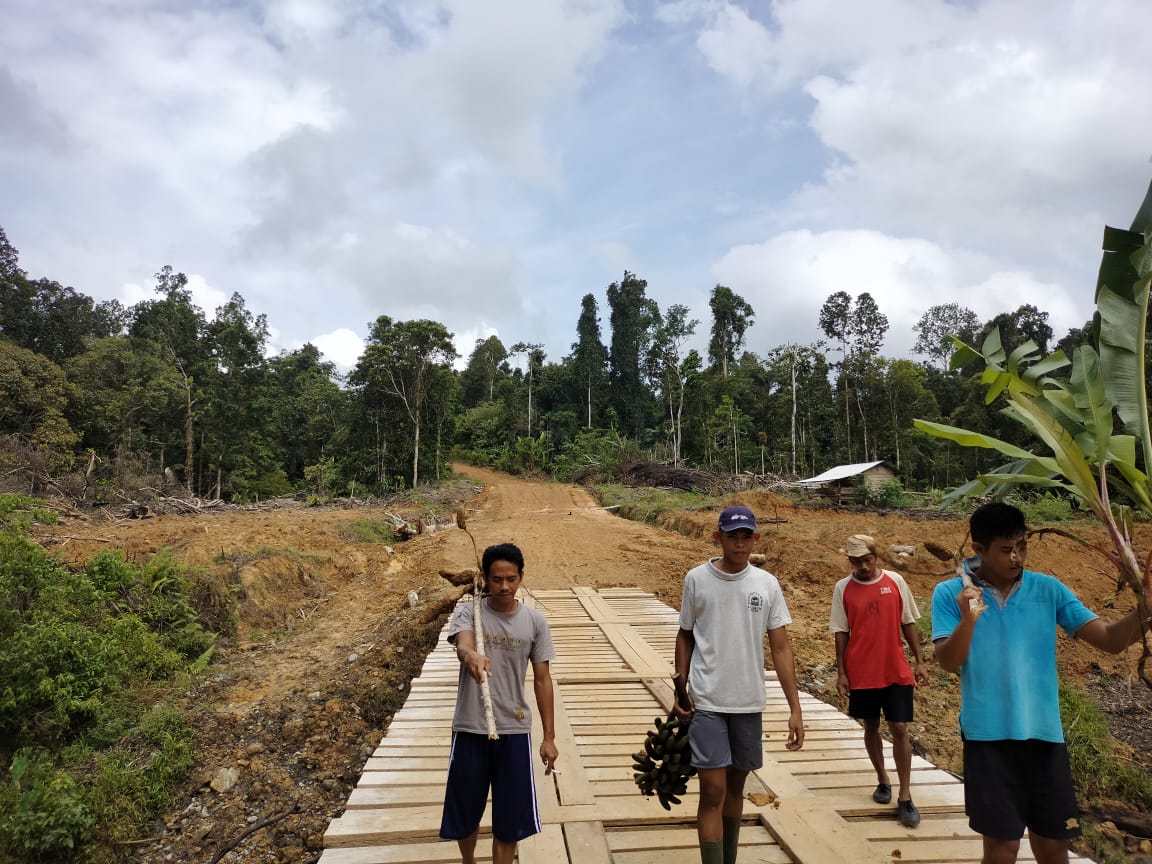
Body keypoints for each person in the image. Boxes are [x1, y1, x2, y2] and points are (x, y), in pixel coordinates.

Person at [932, 502, 1152, 864]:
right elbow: (948, 661)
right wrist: (970, 617)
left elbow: (1111, 641)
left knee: (1053, 846)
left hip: (1045, 738)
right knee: (1002, 849)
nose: (1017, 557)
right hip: (988, 740)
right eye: (1006, 550)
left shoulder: (1048, 589)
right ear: (979, 549)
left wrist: (1147, 608)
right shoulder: (950, 594)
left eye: (1022, 546)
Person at [673, 504, 805, 864]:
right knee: (712, 791)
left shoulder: (766, 584)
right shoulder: (697, 579)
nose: (740, 543)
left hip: (749, 702)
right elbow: (684, 636)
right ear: (718, 538)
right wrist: (680, 690)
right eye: (733, 536)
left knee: (736, 787)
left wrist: (796, 709)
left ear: (756, 539)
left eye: (747, 536)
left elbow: (780, 646)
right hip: (707, 700)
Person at [439, 543, 558, 864]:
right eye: (496, 580)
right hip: (470, 726)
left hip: (515, 728)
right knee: (464, 812)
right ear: (485, 579)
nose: (504, 587)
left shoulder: (535, 622)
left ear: (521, 578)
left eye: (511, 579)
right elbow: (463, 645)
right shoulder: (469, 612)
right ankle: (468, 861)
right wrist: (471, 654)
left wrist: (549, 737)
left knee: (510, 823)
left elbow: (543, 679)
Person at [830, 534, 928, 829]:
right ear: (850, 561)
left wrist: (919, 661)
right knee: (870, 725)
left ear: (876, 556)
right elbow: (840, 631)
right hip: (862, 670)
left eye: (867, 559)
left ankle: (906, 795)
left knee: (899, 727)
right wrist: (842, 672)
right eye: (856, 561)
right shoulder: (843, 589)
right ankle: (883, 779)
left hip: (895, 669)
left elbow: (908, 622)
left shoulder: (895, 582)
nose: (862, 566)